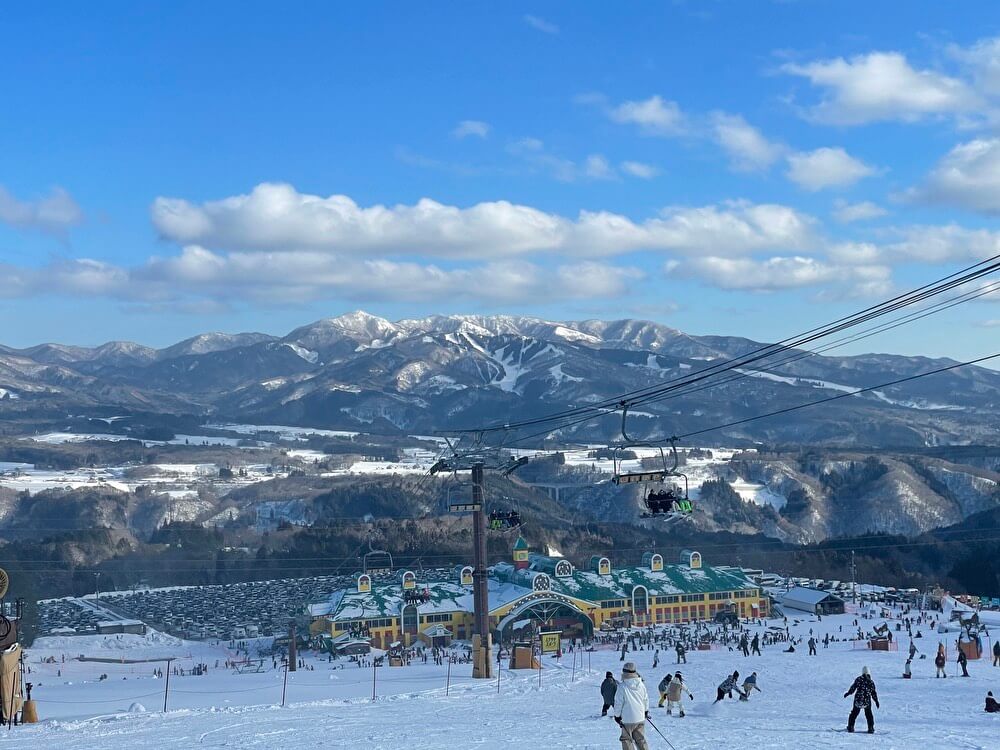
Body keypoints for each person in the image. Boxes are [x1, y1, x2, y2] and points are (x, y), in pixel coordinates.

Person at [613, 662, 650, 750]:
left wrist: (617, 716)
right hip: (640, 717)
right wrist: (645, 711)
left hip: (627, 719)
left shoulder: (622, 686)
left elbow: (618, 703)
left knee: (626, 739)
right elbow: (645, 699)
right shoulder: (641, 684)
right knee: (640, 739)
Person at [844, 666, 880, 734]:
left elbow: (853, 687)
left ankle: (851, 726)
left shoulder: (859, 679)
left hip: (858, 700)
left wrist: (848, 693)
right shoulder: (871, 682)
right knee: (869, 714)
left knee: (854, 713)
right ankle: (870, 728)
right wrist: (876, 701)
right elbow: (873, 693)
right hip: (867, 701)